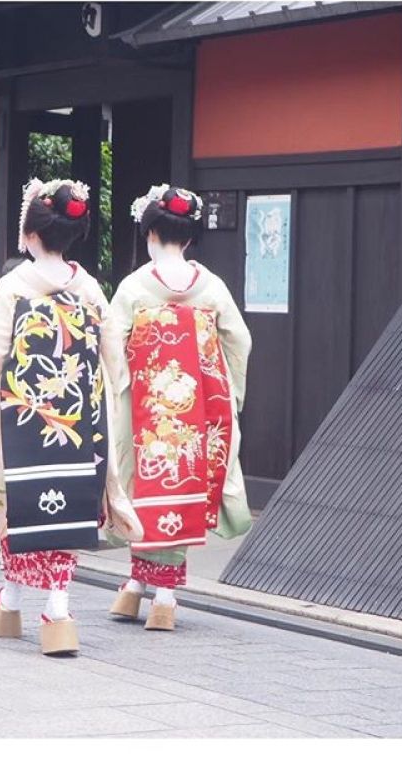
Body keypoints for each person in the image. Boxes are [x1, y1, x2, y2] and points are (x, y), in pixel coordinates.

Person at [0, 177, 140, 656]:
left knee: (20, 504)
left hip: (22, 415)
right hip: (78, 418)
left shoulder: (12, 286)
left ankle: (10, 599)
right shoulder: (91, 287)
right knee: (72, 502)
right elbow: (112, 352)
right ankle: (56, 605)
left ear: (30, 235)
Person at [107, 184, 253, 630]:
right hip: (199, 406)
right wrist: (232, 393)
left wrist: (122, 388)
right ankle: (157, 594)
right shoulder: (211, 287)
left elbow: (111, 341)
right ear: (188, 238)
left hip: (147, 409)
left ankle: (143, 591)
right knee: (185, 484)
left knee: (143, 487)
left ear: (150, 233)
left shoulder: (135, 286)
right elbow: (239, 340)